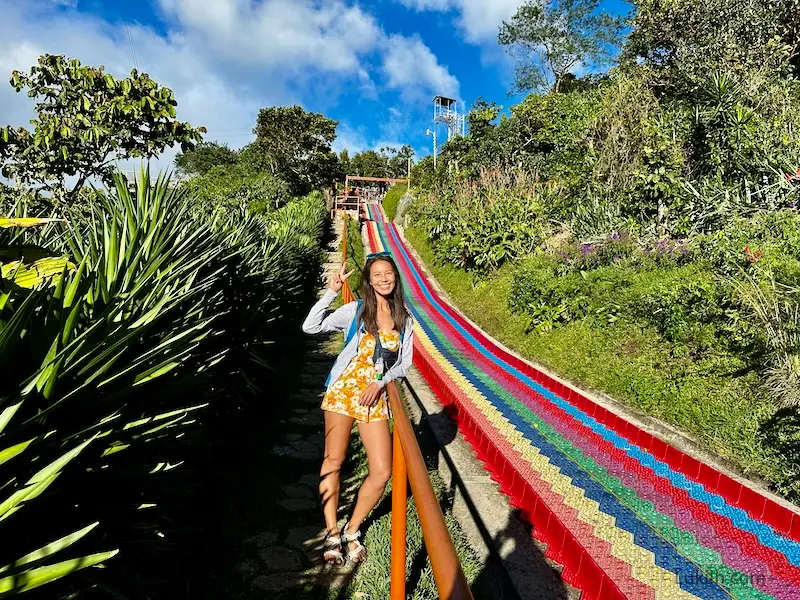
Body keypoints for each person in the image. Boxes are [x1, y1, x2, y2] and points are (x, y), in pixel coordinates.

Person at [302, 251, 414, 565]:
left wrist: (380, 382)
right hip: (342, 393)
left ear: (395, 277)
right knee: (333, 460)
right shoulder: (355, 310)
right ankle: (332, 531)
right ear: (368, 279)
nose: (383, 278)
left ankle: (352, 529)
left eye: (388, 273)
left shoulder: (404, 317)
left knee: (381, 470)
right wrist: (331, 292)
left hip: (374, 398)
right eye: (377, 274)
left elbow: (404, 363)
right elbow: (310, 328)